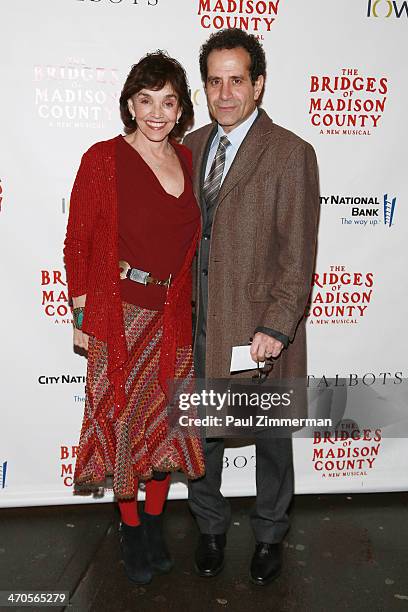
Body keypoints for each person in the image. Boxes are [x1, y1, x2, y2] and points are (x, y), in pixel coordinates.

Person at [184, 29, 320, 586]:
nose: (224, 94)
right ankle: (210, 527)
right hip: (196, 326)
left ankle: (269, 535)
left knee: (270, 443)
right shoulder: (188, 147)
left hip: (260, 332)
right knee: (202, 438)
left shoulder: (291, 153)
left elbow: (298, 254)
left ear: (258, 85)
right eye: (214, 82)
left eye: (236, 80)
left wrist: (276, 326)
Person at [64, 51, 205, 585]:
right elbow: (78, 243)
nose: (156, 112)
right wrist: (81, 310)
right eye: (146, 100)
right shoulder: (102, 159)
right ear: (129, 102)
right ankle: (129, 530)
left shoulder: (188, 160)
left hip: (172, 314)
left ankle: (152, 523)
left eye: (168, 102)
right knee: (125, 427)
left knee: (166, 427)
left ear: (181, 110)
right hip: (118, 314)